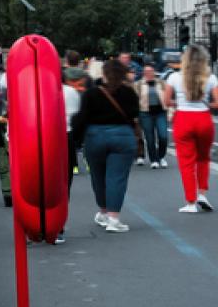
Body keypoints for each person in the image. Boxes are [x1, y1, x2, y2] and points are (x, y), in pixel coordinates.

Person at [72, 59, 141, 231]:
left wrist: (76, 141)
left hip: (95, 137)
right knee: (117, 178)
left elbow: (82, 118)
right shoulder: (129, 93)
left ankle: (103, 211)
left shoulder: (91, 94)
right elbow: (135, 114)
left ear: (103, 74)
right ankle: (114, 218)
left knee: (98, 177)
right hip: (122, 136)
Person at [164, 45, 217, 212]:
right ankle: (202, 193)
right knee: (203, 158)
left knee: (186, 162)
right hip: (203, 119)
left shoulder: (173, 77)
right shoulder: (211, 78)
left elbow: (166, 101)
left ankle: (191, 202)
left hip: (184, 119)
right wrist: (205, 103)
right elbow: (217, 103)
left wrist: (179, 102)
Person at [138, 65, 171, 168]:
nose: (148, 73)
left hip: (160, 112)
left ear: (154, 72)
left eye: (150, 71)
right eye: (146, 71)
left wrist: (170, 111)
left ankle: (161, 157)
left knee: (163, 136)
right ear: (143, 73)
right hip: (145, 113)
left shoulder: (161, 83)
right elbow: (134, 100)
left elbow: (168, 96)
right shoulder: (138, 84)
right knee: (150, 138)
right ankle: (154, 160)